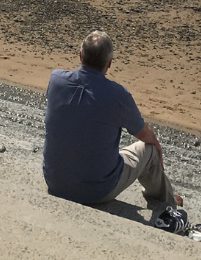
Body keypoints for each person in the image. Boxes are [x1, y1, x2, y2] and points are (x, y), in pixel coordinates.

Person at [43, 30, 180, 210]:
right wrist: (157, 147)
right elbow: (144, 134)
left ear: (80, 56)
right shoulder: (118, 95)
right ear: (109, 64)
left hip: (55, 181)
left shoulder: (56, 80)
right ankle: (167, 204)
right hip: (96, 191)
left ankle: (166, 199)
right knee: (149, 151)